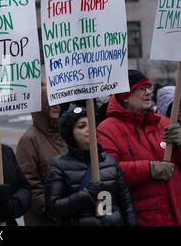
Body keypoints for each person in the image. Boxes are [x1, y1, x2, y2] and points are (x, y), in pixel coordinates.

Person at [97, 70, 181, 226]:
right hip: (144, 217)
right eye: (141, 88)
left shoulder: (163, 123)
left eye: (149, 87)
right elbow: (106, 172)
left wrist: (179, 145)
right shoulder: (106, 129)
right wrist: (149, 169)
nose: (148, 92)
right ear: (125, 96)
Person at [45, 107, 137, 226]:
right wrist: (85, 195)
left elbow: (126, 204)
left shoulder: (109, 161)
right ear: (70, 134)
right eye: (82, 126)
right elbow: (53, 208)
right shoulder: (60, 165)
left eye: (91, 124)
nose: (89, 129)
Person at [16, 88, 67, 225]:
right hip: (45, 219)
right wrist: (54, 209)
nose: (56, 106)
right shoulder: (29, 140)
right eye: (51, 101)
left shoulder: (64, 134)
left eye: (58, 101)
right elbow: (29, 183)